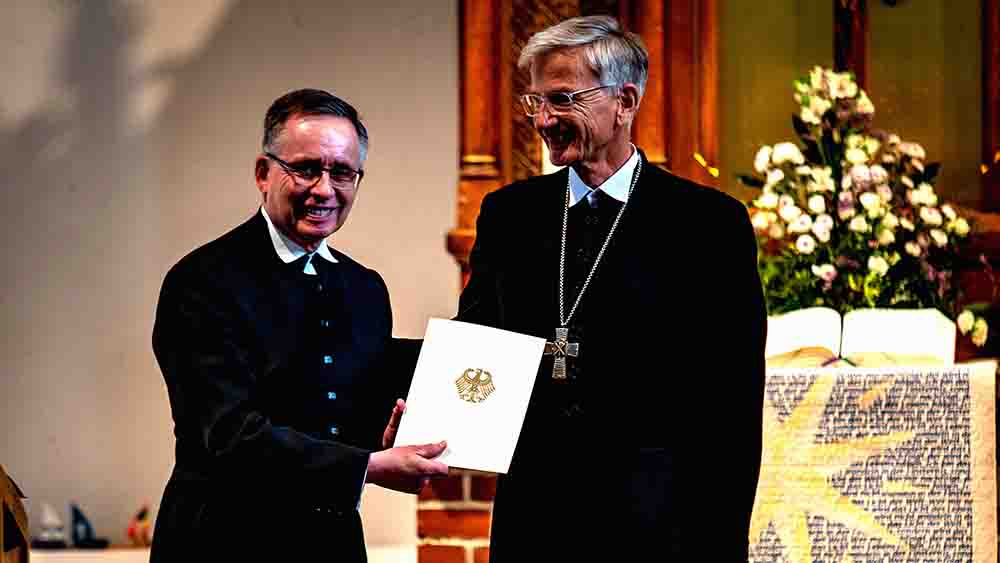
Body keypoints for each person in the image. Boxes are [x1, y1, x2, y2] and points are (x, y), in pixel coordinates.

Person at [454, 16, 767, 561]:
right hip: (537, 519)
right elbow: (477, 342)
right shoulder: (510, 216)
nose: (544, 120)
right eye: (535, 104)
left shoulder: (708, 225)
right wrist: (424, 407)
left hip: (660, 525)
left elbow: (733, 406)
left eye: (562, 100)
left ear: (624, 101)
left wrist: (721, 540)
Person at [150, 89, 447, 562]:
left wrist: (386, 437)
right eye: (306, 168)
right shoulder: (201, 281)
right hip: (221, 542)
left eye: (342, 172)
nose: (324, 189)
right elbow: (229, 435)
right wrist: (369, 466)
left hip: (331, 544)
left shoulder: (364, 288)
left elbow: (347, 414)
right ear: (263, 174)